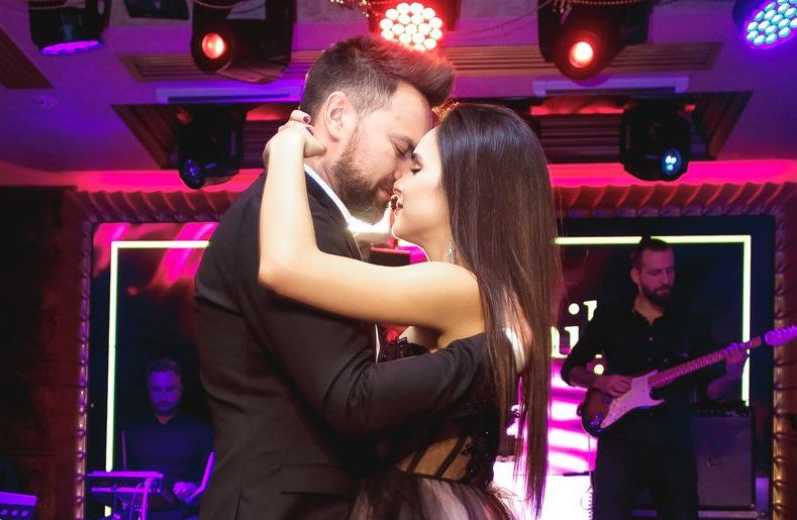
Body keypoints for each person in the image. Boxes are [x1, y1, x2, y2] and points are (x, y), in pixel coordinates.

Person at [194, 35, 493, 520]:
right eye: (401, 149)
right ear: (337, 117)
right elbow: (350, 398)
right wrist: (491, 352)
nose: (402, 174)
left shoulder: (313, 220)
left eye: (415, 162)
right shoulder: (285, 221)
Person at [259, 102, 561, 518]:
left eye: (416, 168)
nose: (398, 178)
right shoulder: (474, 289)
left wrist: (285, 149)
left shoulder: (456, 287)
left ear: (465, 190)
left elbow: (284, 265)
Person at [560, 237, 746, 520]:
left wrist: (733, 374)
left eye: (670, 271)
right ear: (636, 275)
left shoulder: (691, 322)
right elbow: (571, 369)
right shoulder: (610, 317)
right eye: (655, 272)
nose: (665, 280)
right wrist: (599, 382)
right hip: (620, 443)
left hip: (673, 445)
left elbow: (710, 391)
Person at [122, 358, 213, 520]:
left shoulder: (200, 432)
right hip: (142, 512)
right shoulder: (132, 432)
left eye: (169, 389)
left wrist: (194, 487)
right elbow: (122, 477)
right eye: (157, 390)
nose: (163, 397)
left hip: (184, 514)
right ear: (148, 390)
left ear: (180, 389)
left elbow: (211, 482)